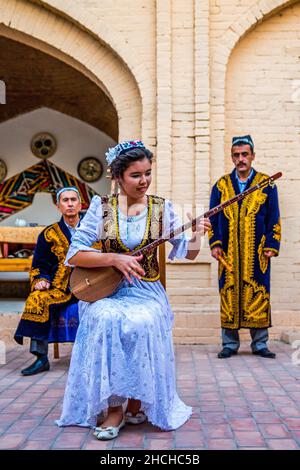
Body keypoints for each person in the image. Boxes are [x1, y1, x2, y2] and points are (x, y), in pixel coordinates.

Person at [56, 140, 211, 440]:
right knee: (104, 318)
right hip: (107, 291)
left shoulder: (161, 208)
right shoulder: (101, 208)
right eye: (136, 175)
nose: (144, 181)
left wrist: (198, 236)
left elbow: (187, 253)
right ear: (118, 177)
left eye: (148, 173)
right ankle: (115, 408)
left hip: (146, 292)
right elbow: (74, 255)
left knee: (142, 321)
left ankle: (138, 400)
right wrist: (114, 258)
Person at [209, 135, 281, 359]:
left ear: (252, 156)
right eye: (236, 155)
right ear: (232, 157)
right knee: (228, 294)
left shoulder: (266, 184)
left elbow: (274, 217)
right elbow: (213, 217)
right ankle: (229, 343)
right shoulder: (221, 185)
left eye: (244, 155)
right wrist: (215, 243)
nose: (240, 159)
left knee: (259, 293)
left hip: (256, 252)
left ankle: (260, 344)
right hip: (228, 252)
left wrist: (271, 244)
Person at [14, 187, 82, 375]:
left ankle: (95, 356)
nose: (69, 204)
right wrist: (41, 280)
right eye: (65, 200)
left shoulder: (92, 229)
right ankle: (41, 358)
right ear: (58, 206)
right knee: (37, 298)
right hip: (61, 288)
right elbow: (39, 264)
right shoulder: (48, 234)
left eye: (73, 200)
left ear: (80, 204)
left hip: (90, 286)